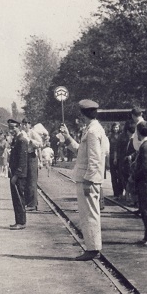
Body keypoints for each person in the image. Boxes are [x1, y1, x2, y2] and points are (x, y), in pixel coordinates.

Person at [60, 99, 109, 260]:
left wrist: (88, 180)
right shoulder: (93, 129)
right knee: (87, 213)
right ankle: (92, 246)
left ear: (83, 115)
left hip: (88, 179)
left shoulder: (93, 131)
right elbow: (82, 152)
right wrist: (67, 138)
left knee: (89, 214)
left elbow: (94, 159)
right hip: (88, 178)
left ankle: (93, 248)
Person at [6, 119, 28, 230]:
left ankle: (21, 222)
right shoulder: (16, 140)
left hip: (19, 175)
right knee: (16, 198)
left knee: (19, 198)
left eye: (13, 127)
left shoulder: (22, 140)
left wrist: (16, 175)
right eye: (9, 127)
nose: (11, 130)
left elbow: (23, 160)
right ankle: (18, 221)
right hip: (14, 173)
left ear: (18, 127)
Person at [22, 120, 44, 211]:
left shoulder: (33, 133)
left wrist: (32, 142)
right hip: (24, 157)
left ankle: (33, 204)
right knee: (26, 180)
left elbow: (40, 144)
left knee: (32, 180)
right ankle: (27, 202)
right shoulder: (22, 133)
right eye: (23, 124)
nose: (24, 126)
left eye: (26, 124)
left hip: (32, 156)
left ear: (29, 125)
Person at [109, 122, 126, 200]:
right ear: (112, 128)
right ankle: (115, 193)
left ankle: (120, 193)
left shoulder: (121, 136)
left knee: (120, 175)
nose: (116, 129)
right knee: (113, 176)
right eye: (115, 127)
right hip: (112, 157)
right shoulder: (110, 136)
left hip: (119, 157)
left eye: (117, 127)